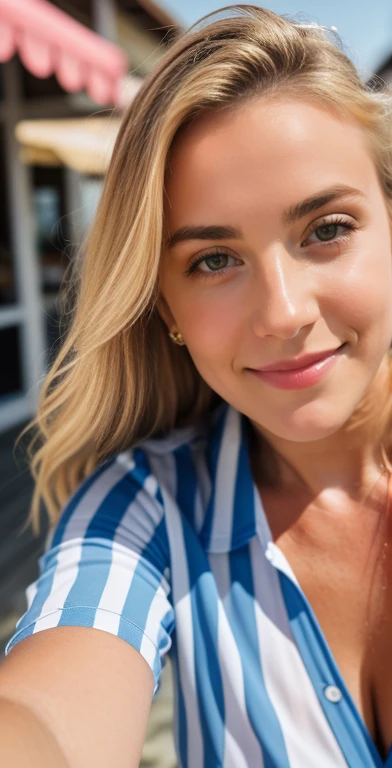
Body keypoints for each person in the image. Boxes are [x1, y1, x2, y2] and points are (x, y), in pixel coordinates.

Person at [0, 5, 392, 766]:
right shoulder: (142, 508)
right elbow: (43, 718)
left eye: (327, 229)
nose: (283, 313)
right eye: (214, 260)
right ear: (166, 309)